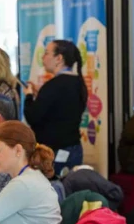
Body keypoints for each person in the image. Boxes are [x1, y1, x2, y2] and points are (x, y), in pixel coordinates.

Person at [24, 40, 88, 176]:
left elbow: (33, 116)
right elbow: (59, 108)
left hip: (55, 152)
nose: (43, 57)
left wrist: (29, 96)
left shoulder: (53, 86)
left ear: (59, 58)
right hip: (74, 148)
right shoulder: (78, 83)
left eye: (47, 53)